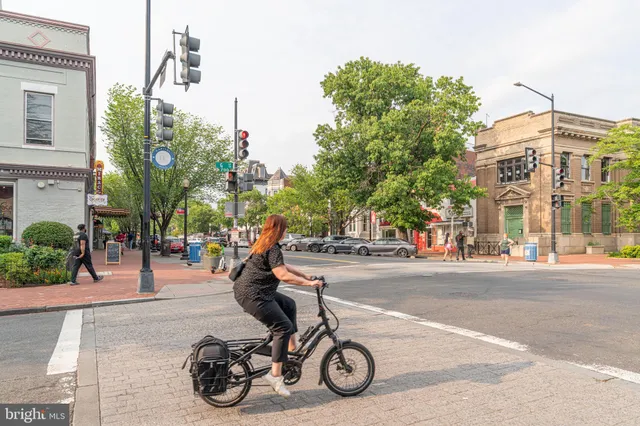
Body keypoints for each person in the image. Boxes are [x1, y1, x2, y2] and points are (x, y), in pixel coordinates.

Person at [233, 214, 322, 398]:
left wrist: (306, 276)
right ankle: (275, 376)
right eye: (285, 227)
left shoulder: (263, 244)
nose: (287, 230)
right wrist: (309, 284)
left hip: (256, 291)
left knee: (289, 304)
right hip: (253, 295)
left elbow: (284, 266)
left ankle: (291, 348)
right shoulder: (271, 248)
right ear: (279, 229)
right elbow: (283, 275)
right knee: (282, 327)